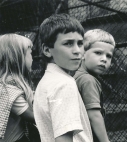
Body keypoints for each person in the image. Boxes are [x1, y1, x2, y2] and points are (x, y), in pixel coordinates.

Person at [33, 13, 93, 142]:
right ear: (47, 50)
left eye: (80, 43)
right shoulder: (64, 84)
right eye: (68, 43)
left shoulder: (47, 81)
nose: (77, 50)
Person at [0, 34, 36, 142]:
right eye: (31, 54)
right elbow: (35, 117)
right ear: (18, 58)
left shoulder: (6, 84)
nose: (33, 58)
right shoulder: (7, 90)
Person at [74, 29, 115, 142]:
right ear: (82, 54)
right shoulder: (88, 80)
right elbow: (94, 115)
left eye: (109, 56)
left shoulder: (75, 75)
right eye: (98, 53)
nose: (104, 59)